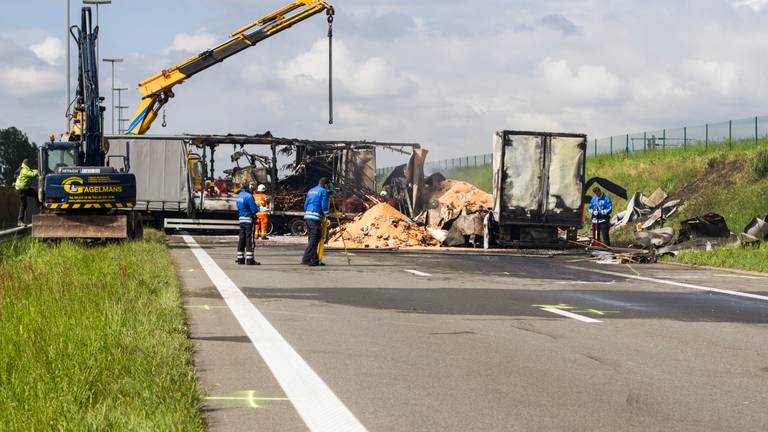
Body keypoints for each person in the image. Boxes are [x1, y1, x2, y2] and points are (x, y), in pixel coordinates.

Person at [302, 177, 330, 266]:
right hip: (315, 216)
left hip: (307, 216)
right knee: (315, 239)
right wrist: (327, 216)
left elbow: (306, 204)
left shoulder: (311, 190)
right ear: (326, 185)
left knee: (312, 238)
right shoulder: (323, 191)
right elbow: (324, 205)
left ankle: (315, 260)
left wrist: (307, 212)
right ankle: (306, 258)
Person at [235, 182, 260, 265]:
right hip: (249, 220)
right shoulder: (249, 196)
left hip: (241, 219)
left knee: (241, 238)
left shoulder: (239, 196)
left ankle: (240, 258)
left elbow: (238, 206)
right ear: (249, 187)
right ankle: (250, 259)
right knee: (249, 239)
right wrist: (258, 208)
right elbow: (254, 209)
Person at [15, 159, 39, 226]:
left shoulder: (24, 168)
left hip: (25, 188)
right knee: (23, 205)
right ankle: (20, 221)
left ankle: (41, 208)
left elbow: (31, 171)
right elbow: (31, 174)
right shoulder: (24, 170)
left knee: (35, 194)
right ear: (28, 163)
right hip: (21, 189)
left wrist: (38, 170)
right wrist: (37, 172)